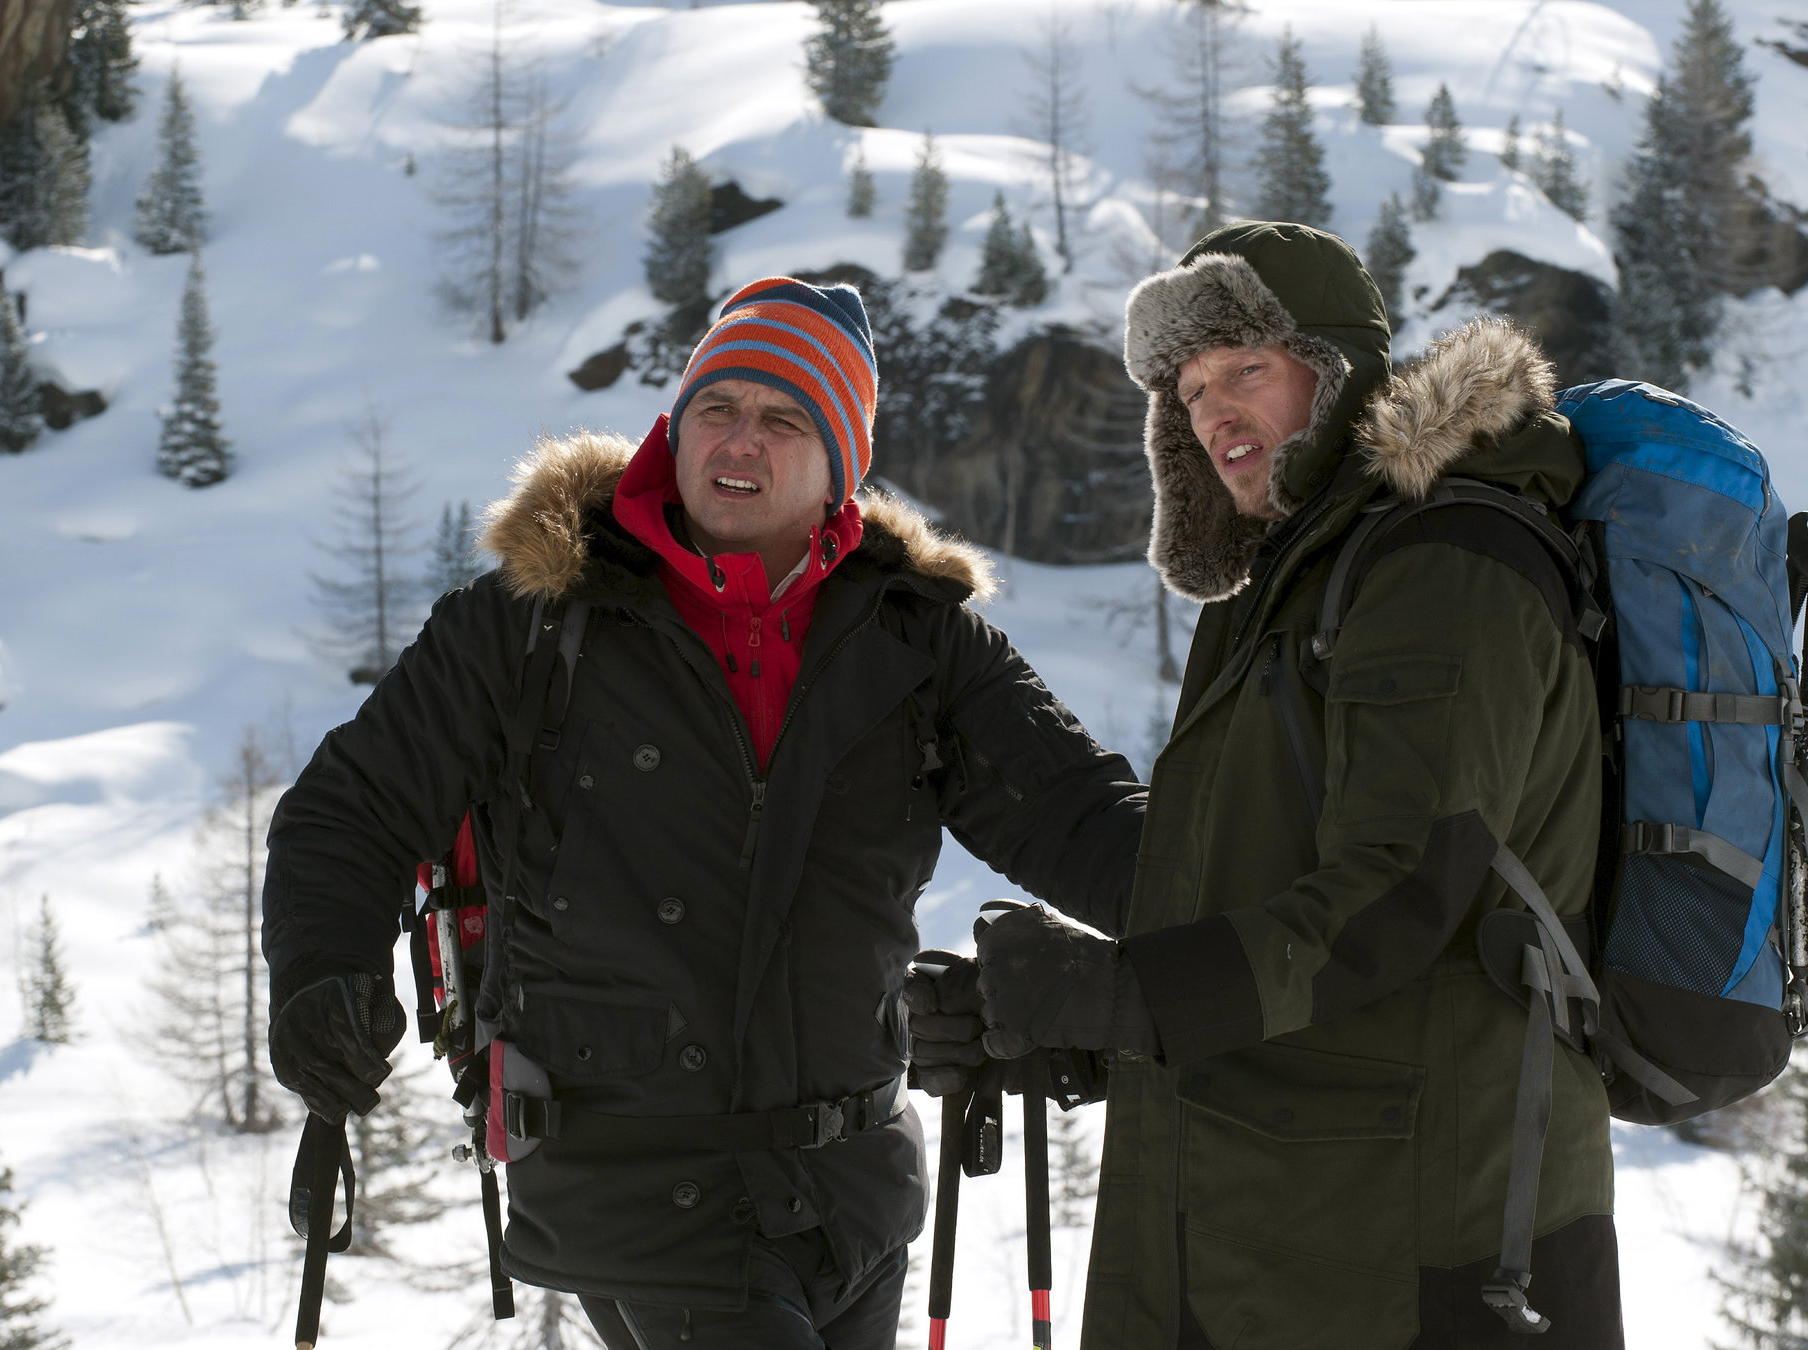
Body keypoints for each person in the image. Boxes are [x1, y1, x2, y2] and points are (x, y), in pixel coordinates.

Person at [260, 276, 1145, 1350]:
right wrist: (320, 975)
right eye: (716, 408)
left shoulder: (918, 643)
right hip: (639, 1186)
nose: (740, 440)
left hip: (851, 1190)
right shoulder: (537, 623)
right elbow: (350, 811)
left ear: (840, 470)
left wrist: (1262, 910)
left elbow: (1083, 819)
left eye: (783, 420)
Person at [941, 221, 1622, 1347]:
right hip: (1284, 1230)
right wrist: (1052, 1019)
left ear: (1337, 367)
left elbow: (1399, 892)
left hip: (1431, 1249)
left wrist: (1126, 995)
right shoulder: (1292, 585)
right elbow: (1241, 897)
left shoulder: (1442, 559)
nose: (1212, 412)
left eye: (1245, 368)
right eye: (1190, 387)